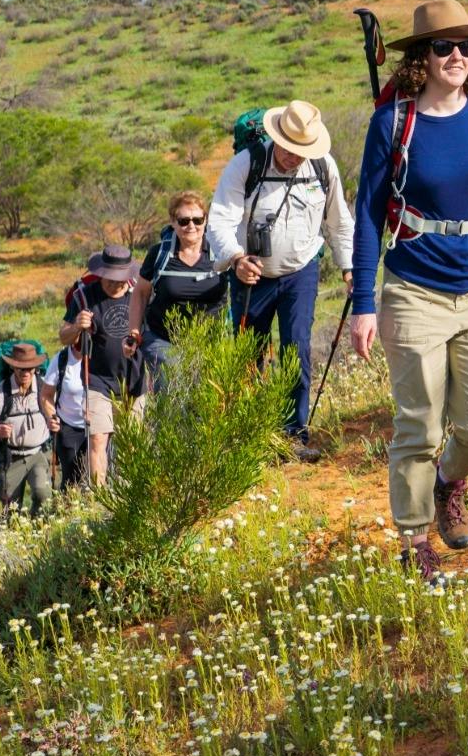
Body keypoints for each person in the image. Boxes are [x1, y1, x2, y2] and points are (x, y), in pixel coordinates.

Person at [348, 0, 468, 583]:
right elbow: (367, 215)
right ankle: (414, 543)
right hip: (412, 292)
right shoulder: (393, 123)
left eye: (466, 47)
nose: (457, 56)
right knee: (418, 424)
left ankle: (450, 482)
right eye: (443, 47)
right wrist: (364, 305)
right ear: (419, 58)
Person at [206, 99, 354, 462]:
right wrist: (236, 259)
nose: (294, 156)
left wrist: (350, 268)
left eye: (302, 149)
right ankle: (247, 436)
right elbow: (220, 221)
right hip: (250, 274)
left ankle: (294, 435)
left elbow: (339, 222)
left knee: (296, 349)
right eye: (290, 148)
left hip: (300, 270)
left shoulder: (323, 166)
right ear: (277, 137)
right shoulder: (247, 163)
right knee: (247, 355)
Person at [58, 244, 144, 485]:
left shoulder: (139, 292)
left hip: (134, 378)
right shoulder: (84, 296)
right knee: (97, 439)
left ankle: (130, 490)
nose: (115, 284)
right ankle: (100, 497)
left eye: (120, 279)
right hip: (97, 381)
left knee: (133, 441)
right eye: (110, 278)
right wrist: (77, 325)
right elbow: (64, 336)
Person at [133, 190, 229, 375]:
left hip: (210, 342)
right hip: (163, 340)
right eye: (184, 221)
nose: (191, 226)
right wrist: (134, 332)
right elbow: (141, 293)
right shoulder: (159, 254)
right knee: (173, 383)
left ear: (206, 220)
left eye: (197, 220)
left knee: (204, 400)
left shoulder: (221, 253)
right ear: (173, 222)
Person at [0, 340, 55, 517]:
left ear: (36, 368)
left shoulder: (45, 389)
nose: (26, 373)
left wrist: (55, 423)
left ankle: (38, 530)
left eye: (30, 368)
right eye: (21, 369)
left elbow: (56, 412)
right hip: (10, 458)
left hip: (38, 454)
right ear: (13, 368)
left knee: (44, 496)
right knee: (11, 510)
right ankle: (17, 536)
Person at [39, 335, 90, 491]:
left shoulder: (102, 356)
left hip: (98, 425)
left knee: (97, 476)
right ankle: (68, 510)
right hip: (69, 427)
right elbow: (46, 395)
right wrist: (51, 417)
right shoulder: (61, 360)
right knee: (71, 480)